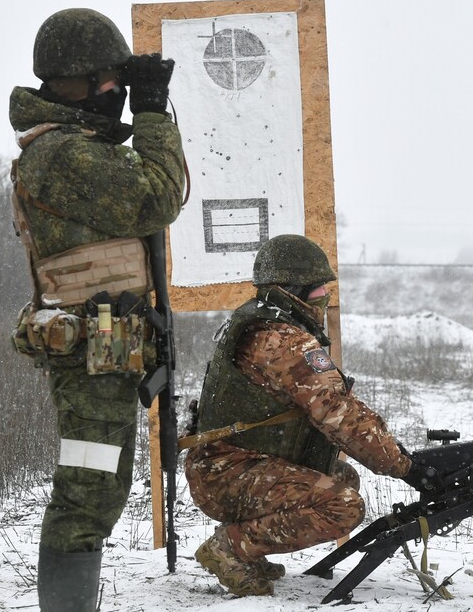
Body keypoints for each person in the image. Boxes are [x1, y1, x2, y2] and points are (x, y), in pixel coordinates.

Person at [8, 8, 185, 612]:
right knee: (87, 490)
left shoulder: (80, 148)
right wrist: (154, 113)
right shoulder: (62, 155)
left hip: (108, 341)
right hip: (92, 344)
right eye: (110, 80)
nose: (117, 93)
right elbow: (160, 195)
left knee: (101, 486)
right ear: (74, 83)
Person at [184, 234, 437, 596]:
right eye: (318, 291)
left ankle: (247, 547)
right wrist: (404, 467)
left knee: (341, 476)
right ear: (292, 291)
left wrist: (395, 456)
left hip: (225, 466)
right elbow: (337, 413)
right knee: (342, 505)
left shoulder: (259, 321)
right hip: (228, 474)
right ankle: (231, 548)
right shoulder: (282, 339)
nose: (324, 298)